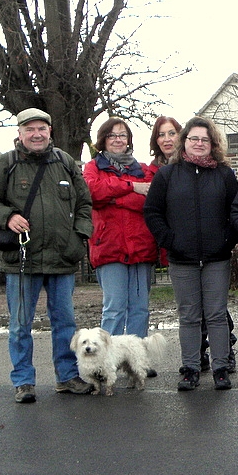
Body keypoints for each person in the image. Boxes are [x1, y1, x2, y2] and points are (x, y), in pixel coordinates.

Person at [0, 108, 94, 403]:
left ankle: (67, 377)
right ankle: (24, 381)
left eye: (42, 128)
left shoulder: (65, 162)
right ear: (20, 133)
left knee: (65, 324)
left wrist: (79, 238)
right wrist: (7, 216)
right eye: (30, 129)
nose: (36, 134)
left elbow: (84, 204)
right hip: (21, 260)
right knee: (19, 325)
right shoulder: (6, 164)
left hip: (62, 258)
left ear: (50, 131)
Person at [144, 116, 238, 390]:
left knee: (217, 314)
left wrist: (227, 241)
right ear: (184, 142)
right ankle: (191, 368)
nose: (199, 144)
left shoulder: (223, 175)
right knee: (188, 316)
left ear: (212, 144)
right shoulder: (167, 175)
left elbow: (237, 212)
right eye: (194, 139)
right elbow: (152, 212)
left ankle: (221, 368)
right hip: (181, 258)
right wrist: (169, 240)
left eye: (204, 140)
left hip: (216, 258)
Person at [84, 118, 158, 349]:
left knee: (139, 309)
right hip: (109, 248)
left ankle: (136, 358)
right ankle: (107, 359)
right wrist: (131, 187)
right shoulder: (92, 167)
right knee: (114, 308)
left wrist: (113, 198)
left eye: (122, 135)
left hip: (141, 247)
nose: (118, 140)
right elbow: (92, 193)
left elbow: (148, 202)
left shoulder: (143, 169)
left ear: (129, 140)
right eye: (112, 135)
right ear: (103, 140)